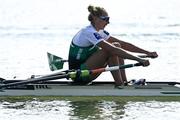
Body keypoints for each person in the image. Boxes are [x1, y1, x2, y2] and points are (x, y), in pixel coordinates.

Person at [68, 5, 158, 86]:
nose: (108, 22)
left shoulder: (99, 32)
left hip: (88, 71)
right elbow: (113, 49)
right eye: (105, 19)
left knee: (117, 45)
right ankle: (120, 84)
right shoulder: (88, 32)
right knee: (111, 50)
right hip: (79, 74)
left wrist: (147, 52)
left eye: (108, 19)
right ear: (95, 18)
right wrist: (139, 59)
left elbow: (123, 44)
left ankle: (124, 82)